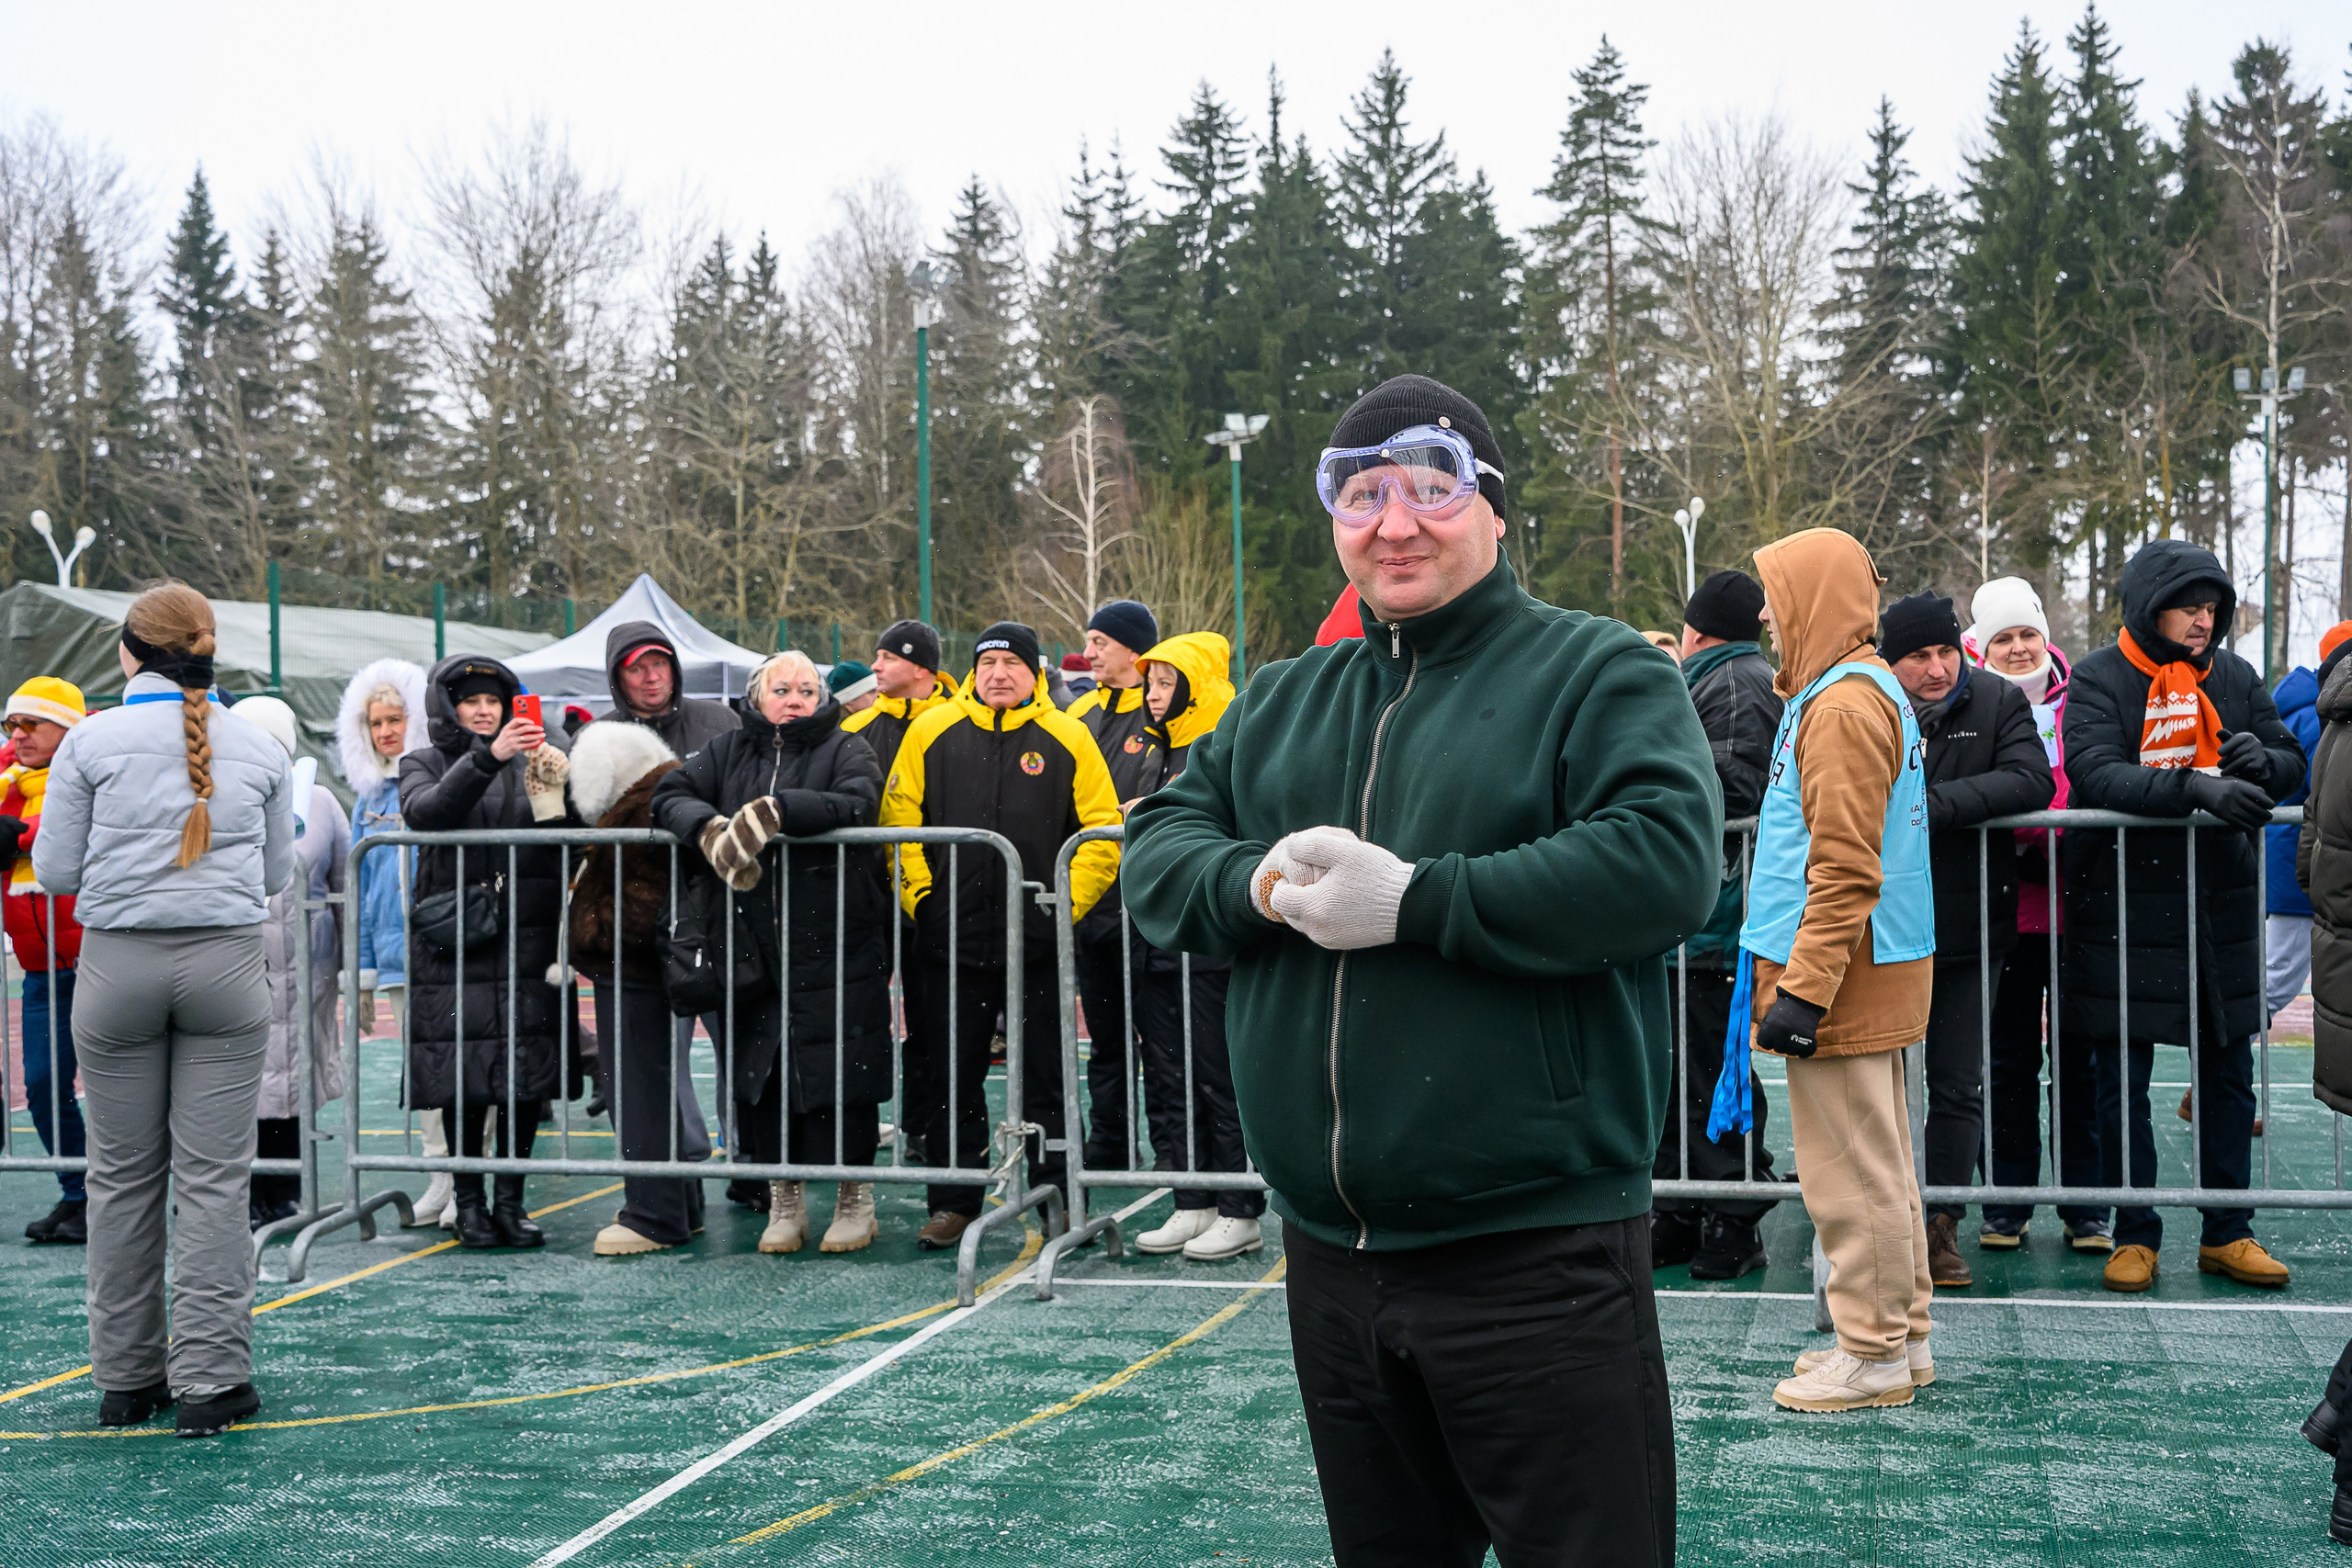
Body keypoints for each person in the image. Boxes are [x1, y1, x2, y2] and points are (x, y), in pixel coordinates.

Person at [1125, 374, 1717, 1563]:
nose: (1395, 520)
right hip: (1332, 1262)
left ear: (1492, 509)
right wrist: (1257, 883)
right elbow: (1155, 855)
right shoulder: (1285, 700)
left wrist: (1416, 900)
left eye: (1431, 484)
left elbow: (1662, 862)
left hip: (1535, 1259)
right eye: (1361, 490)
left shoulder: (1596, 671)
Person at [35, 582, 293, 1437]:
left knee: (120, 1177)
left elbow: (59, 869)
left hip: (118, 965)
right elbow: (274, 879)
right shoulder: (258, 744)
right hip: (225, 962)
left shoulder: (90, 742)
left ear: (128, 650)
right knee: (216, 1183)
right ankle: (212, 1382)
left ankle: (126, 1377)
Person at [2061, 538, 2299, 1292]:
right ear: (2147, 605)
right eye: (2189, 605)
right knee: (2119, 1080)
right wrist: (2195, 789)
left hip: (2217, 911)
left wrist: (2263, 758)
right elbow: (2095, 769)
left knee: (2230, 1075)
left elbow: (2292, 757)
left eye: (2212, 608)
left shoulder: (2233, 675)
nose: (2204, 621)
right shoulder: (2101, 675)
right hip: (2124, 910)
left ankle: (2228, 1228)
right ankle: (2136, 1230)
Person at [1747, 529, 1937, 1413]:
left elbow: (1846, 868)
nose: (1766, 619)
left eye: (1778, 600)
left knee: (1852, 1171)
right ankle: (1902, 1338)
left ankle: (1871, 1351)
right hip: (1857, 969)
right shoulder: (1843, 693)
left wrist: (1803, 991)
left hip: (1840, 979)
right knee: (1881, 1165)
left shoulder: (1844, 707)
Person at [879, 620, 1121, 1252]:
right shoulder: (931, 730)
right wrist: (924, 897)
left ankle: (1060, 1199)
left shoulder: (1067, 736)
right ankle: (953, 1203)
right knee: (950, 1075)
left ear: (1035, 672)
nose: (997, 675)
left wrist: (1061, 909)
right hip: (948, 944)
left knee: (1047, 1077)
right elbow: (899, 822)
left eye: (1012, 663)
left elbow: (1099, 834)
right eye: (987, 664)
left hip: (1036, 946)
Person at [653, 650, 893, 1254]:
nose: (795, 698)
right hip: (751, 946)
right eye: (782, 687)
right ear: (758, 696)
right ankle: (784, 1199)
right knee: (763, 1075)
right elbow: (670, 793)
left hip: (837, 940)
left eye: (807, 689)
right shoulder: (727, 751)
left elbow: (858, 801)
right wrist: (707, 826)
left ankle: (853, 1199)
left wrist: (780, 810)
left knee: (844, 1071)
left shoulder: (848, 747)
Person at [1879, 592, 2054, 1288]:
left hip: (1973, 925)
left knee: (1957, 1083)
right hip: (1884, 926)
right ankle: (1883, 1220)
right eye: (1919, 655)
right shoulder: (1867, 705)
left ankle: (1940, 1224)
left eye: (1946, 650)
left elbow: (2030, 779)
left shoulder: (1997, 702)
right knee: (1879, 1083)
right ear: (1891, 661)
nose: (1937, 667)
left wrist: (1926, 808)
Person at [400, 655, 575, 1251]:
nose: (483, 710)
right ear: (448, 707)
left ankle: (511, 1202)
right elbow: (426, 812)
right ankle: (469, 1204)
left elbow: (565, 838)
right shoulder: (424, 759)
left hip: (528, 934)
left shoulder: (533, 758)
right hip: (457, 941)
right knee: (462, 1079)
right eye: (470, 701)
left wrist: (563, 787)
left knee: (525, 1076)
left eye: (492, 701)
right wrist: (487, 757)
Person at [1964, 579, 2111, 1254]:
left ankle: (2087, 1205)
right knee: (2009, 1059)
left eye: (2027, 634)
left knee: (2080, 1059)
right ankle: (2006, 1200)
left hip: (2079, 907)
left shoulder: (2079, 697)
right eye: (2004, 638)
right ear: (1982, 645)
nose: (2019, 648)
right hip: (2005, 912)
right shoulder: (1967, 701)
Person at [1652, 570, 1784, 1280]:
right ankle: (1681, 1204)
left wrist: (1650, 783)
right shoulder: (1730, 677)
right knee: (1682, 1069)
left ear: (1697, 629)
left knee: (1711, 1070)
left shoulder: (1732, 684)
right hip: (1696, 917)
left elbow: (1733, 789)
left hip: (1715, 916)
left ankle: (1731, 1212)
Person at [1118, 631, 1268, 1260]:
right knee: (1169, 1074)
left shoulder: (1227, 741)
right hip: (1154, 941)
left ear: (1192, 684)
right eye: (1149, 682)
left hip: (1207, 943)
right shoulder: (1152, 745)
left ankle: (1239, 1203)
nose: (1153, 694)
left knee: (1217, 1075)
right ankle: (1190, 1198)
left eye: (1164, 682)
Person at [560, 719, 702, 1255]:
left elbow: (643, 892)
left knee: (637, 1088)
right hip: (653, 963)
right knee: (656, 1084)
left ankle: (653, 1214)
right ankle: (678, 1206)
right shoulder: (667, 791)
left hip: (634, 964)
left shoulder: (641, 807)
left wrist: (600, 930)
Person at [334, 659, 460, 1227]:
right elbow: (359, 892)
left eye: (395, 718)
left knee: (462, 1068)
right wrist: (360, 973)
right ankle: (441, 1177)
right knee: (426, 1074)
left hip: (447, 951)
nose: (386, 731)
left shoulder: (437, 783)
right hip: (395, 961)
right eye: (375, 722)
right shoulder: (367, 802)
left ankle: (471, 1178)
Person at [233, 697, 348, 1229]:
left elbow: (345, 882)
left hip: (308, 970)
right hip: (239, 966)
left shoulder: (321, 803)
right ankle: (240, 1193)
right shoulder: (222, 798)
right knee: (243, 1083)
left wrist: (353, 966)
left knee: (293, 1077)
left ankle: (285, 1190)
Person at [1066, 598, 1160, 1171]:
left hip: (1145, 907)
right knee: (1105, 1040)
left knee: (1166, 1045)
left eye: (1100, 641)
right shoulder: (1078, 719)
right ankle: (1112, 1143)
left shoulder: (1158, 714)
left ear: (1133, 649)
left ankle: (1179, 1153)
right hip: (1092, 906)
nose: (1090, 651)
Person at [2, 677, 91, 1244]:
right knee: (40, 1084)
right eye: (13, 723)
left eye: (34, 722)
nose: (21, 734)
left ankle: (124, 1193)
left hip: (103, 959)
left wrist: (23, 835)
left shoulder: (89, 772)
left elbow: (77, 825)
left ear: (68, 729)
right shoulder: (7, 780)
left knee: (120, 1089)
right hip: (40, 968)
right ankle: (77, 1193)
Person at [2265, 623, 2350, 1033]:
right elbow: (2332, 793)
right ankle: (2216, 1063)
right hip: (2310, 861)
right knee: (2276, 978)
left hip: (2304, 858)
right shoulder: (2324, 719)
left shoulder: (2308, 709)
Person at [605, 621, 740, 756]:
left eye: (659, 664)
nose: (652, 677)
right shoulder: (598, 740)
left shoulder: (719, 719)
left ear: (673, 668)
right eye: (636, 669)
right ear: (617, 678)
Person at [843, 619, 956, 778]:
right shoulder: (854, 728)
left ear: (921, 670)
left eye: (889, 658)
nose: (875, 666)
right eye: (878, 656)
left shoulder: (958, 726)